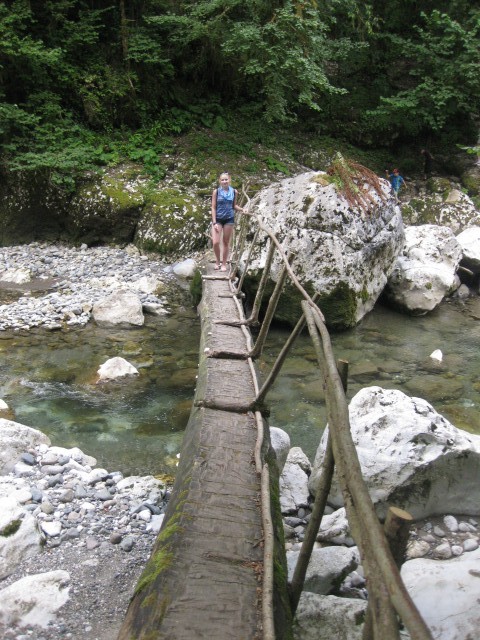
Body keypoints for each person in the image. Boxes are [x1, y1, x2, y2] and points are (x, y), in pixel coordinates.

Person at [211, 172, 244, 271]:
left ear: (229, 180)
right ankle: (217, 261)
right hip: (218, 219)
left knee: (225, 242)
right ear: (219, 181)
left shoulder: (234, 192)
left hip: (229, 218)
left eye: (226, 179)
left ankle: (224, 263)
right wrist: (214, 222)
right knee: (216, 242)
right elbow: (213, 207)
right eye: (222, 180)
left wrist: (242, 209)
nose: (224, 181)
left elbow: (234, 206)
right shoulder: (216, 192)